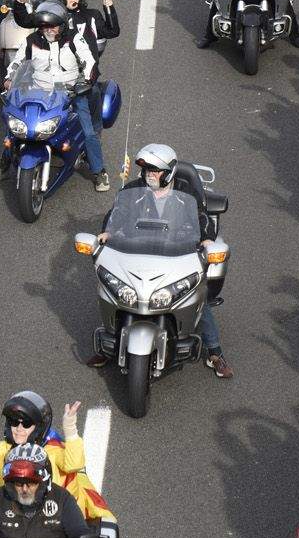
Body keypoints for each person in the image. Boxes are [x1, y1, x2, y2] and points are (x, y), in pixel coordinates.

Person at [90, 144, 234, 377]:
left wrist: (206, 239)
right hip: (137, 253)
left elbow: (202, 218)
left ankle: (215, 353)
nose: (150, 174)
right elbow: (116, 215)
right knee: (114, 294)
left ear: (169, 172)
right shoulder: (134, 191)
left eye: (155, 170)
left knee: (199, 299)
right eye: (147, 169)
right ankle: (109, 347)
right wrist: (108, 232)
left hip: (176, 256)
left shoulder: (186, 194)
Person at [2, 0, 108, 190]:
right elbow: (17, 63)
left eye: (53, 26)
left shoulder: (74, 39)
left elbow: (89, 62)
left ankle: (99, 171)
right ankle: (5, 159)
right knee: (15, 124)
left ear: (62, 24)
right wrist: (9, 79)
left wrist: (84, 83)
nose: (49, 30)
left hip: (71, 93)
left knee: (88, 132)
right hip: (38, 93)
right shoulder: (31, 41)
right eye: (44, 26)